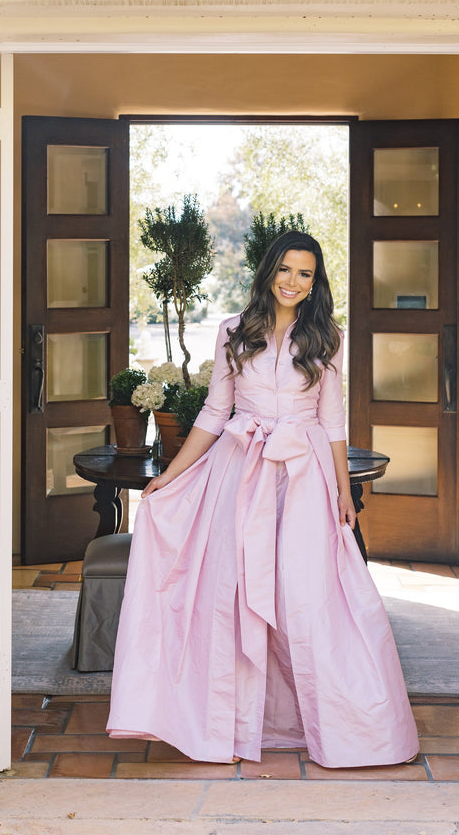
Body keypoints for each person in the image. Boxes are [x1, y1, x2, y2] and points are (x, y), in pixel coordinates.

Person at [107, 231, 419, 768]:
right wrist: (170, 475)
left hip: (304, 474)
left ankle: (338, 726)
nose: (293, 282)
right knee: (232, 591)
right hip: (240, 470)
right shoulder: (233, 331)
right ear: (269, 271)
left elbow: (333, 420)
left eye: (305, 273)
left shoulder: (327, 338)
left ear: (315, 281)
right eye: (285, 270)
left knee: (308, 594)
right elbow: (214, 412)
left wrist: (343, 491)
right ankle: (230, 722)